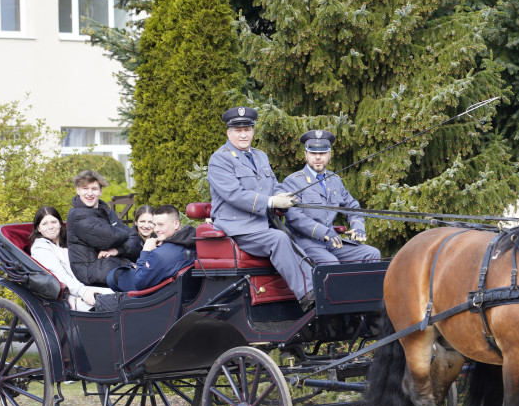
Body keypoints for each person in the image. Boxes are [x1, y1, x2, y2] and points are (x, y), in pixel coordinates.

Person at [207, 106, 315, 309]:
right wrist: (271, 202)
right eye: (238, 130)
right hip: (238, 228)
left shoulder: (260, 156)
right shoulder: (220, 159)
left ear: (253, 131)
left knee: (298, 241)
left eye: (247, 129)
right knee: (279, 239)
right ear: (228, 133)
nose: (243, 134)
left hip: (263, 226)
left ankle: (318, 286)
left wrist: (283, 197)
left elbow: (273, 186)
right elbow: (235, 194)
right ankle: (309, 295)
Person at [279, 129, 381, 265]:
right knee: (331, 264)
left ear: (329, 154)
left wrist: (358, 227)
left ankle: (364, 287)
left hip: (332, 242)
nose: (318, 157)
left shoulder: (335, 180)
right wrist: (325, 232)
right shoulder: (293, 181)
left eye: (322, 153)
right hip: (305, 243)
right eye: (313, 153)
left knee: (372, 254)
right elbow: (295, 218)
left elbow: (352, 207)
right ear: (305, 154)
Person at [27, 206, 114, 311]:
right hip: (67, 295)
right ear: (38, 228)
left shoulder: (69, 243)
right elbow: (59, 275)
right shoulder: (40, 248)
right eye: (45, 224)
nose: (50, 227)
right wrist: (83, 291)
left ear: (60, 223)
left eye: (53, 222)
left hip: (86, 284)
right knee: (114, 300)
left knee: (122, 294)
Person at [66, 170, 142, 288]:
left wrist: (118, 250)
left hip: (110, 264)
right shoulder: (77, 216)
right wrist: (125, 233)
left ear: (100, 191)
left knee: (152, 272)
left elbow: (134, 238)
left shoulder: (106, 211)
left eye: (94, 189)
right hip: (91, 272)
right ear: (78, 190)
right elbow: (109, 238)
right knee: (144, 280)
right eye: (85, 188)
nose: (90, 193)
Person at [109, 205, 196, 292]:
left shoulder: (159, 254)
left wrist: (145, 251)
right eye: (155, 224)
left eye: (161, 225)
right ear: (136, 222)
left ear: (176, 224)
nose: (156, 229)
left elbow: (139, 283)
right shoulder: (193, 241)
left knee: (114, 276)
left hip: (157, 295)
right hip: (180, 290)